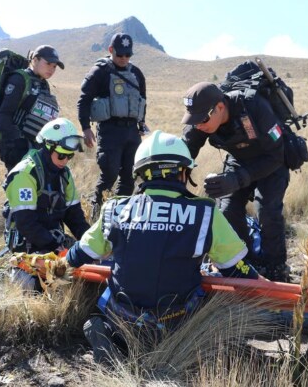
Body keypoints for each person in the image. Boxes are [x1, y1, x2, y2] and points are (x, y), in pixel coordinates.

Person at [66, 130, 258, 363]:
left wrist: (61, 261)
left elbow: (80, 254)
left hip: (122, 317)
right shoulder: (205, 213)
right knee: (208, 293)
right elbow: (236, 271)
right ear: (184, 173)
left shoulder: (114, 209)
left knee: (109, 288)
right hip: (178, 321)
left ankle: (117, 338)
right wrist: (261, 283)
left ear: (140, 174)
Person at [180, 82, 291, 282]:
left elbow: (277, 156)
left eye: (202, 120)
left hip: (271, 161)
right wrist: (170, 182)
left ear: (220, 108)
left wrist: (237, 179)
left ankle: (277, 268)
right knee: (227, 210)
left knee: (267, 210)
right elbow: (185, 152)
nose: (198, 125)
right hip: (238, 160)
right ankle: (246, 263)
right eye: (193, 121)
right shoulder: (201, 116)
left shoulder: (253, 105)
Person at [3, 117, 90, 291]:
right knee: (55, 283)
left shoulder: (64, 174)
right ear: (47, 147)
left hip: (53, 239)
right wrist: (54, 247)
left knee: (88, 262)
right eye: (62, 155)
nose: (65, 160)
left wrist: (89, 242)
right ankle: (20, 277)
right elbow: (26, 223)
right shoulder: (24, 174)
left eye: (70, 156)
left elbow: (75, 216)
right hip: (29, 243)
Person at [77, 32, 148, 220]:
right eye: (120, 54)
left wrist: (141, 125)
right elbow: (83, 100)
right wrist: (86, 128)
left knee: (129, 177)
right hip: (110, 131)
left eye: (128, 55)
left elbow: (142, 100)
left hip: (132, 132)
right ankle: (97, 212)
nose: (124, 58)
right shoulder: (99, 72)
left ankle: (120, 215)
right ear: (111, 50)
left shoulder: (136, 73)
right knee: (109, 172)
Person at [0, 45, 63, 172]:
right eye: (48, 63)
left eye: (54, 66)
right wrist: (15, 144)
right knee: (18, 185)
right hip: (16, 147)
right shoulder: (19, 79)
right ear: (35, 60)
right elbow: (4, 114)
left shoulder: (43, 84)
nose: (52, 69)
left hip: (34, 147)